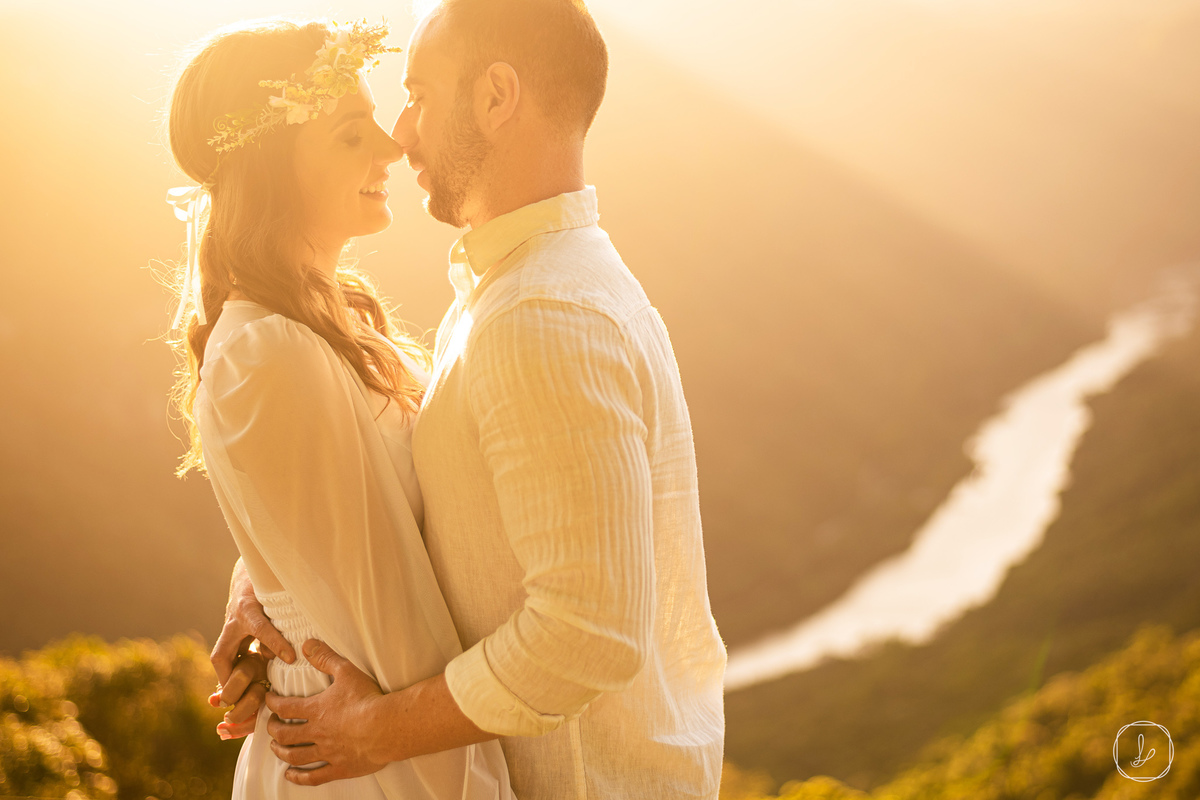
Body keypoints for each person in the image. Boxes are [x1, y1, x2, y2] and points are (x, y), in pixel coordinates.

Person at [215, 0, 728, 797]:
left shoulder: (538, 317)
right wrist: (276, 585)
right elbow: (401, 493)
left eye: (418, 95)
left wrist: (378, 729)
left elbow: (587, 634)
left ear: (495, 96)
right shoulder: (519, 289)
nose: (401, 134)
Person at [165, 17, 513, 799]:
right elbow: (388, 609)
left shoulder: (320, 327)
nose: (390, 147)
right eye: (351, 134)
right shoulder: (269, 351)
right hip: (370, 760)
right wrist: (465, 778)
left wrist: (264, 583)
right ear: (271, 166)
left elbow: (325, 533)